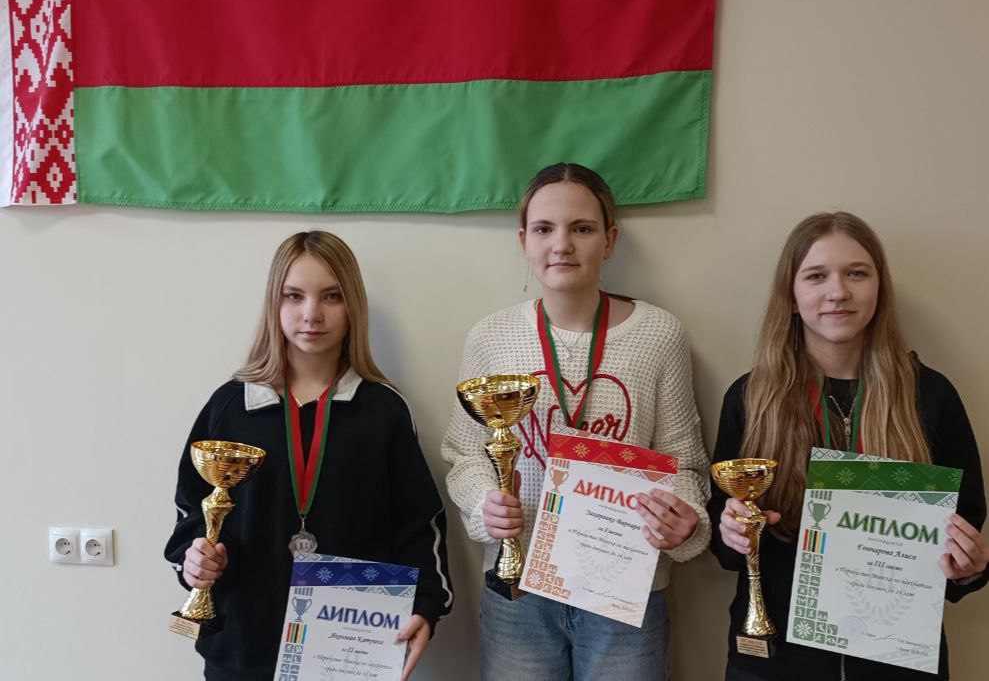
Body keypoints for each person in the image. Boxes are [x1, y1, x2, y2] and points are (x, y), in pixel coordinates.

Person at [441, 162, 710, 681]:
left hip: (624, 587)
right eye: (544, 228)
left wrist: (684, 519)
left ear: (610, 240)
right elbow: (465, 451)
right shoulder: (491, 337)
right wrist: (483, 504)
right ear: (524, 240)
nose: (562, 244)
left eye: (582, 228)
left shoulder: (659, 335)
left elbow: (683, 460)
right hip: (519, 586)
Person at [708, 211, 988, 681]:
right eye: (816, 276)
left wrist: (969, 568)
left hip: (898, 659)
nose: (838, 291)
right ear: (791, 296)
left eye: (857, 273)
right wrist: (733, 532)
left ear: (880, 288)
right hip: (778, 659)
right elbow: (725, 544)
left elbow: (966, 522)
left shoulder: (930, 395)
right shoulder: (751, 397)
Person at [165, 231, 453, 681]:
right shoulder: (231, 406)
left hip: (349, 649)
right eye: (294, 296)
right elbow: (193, 509)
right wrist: (194, 557)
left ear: (352, 304)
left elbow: (419, 522)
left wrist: (425, 604)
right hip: (243, 647)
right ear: (274, 304)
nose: (312, 314)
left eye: (331, 296)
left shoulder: (383, 410)